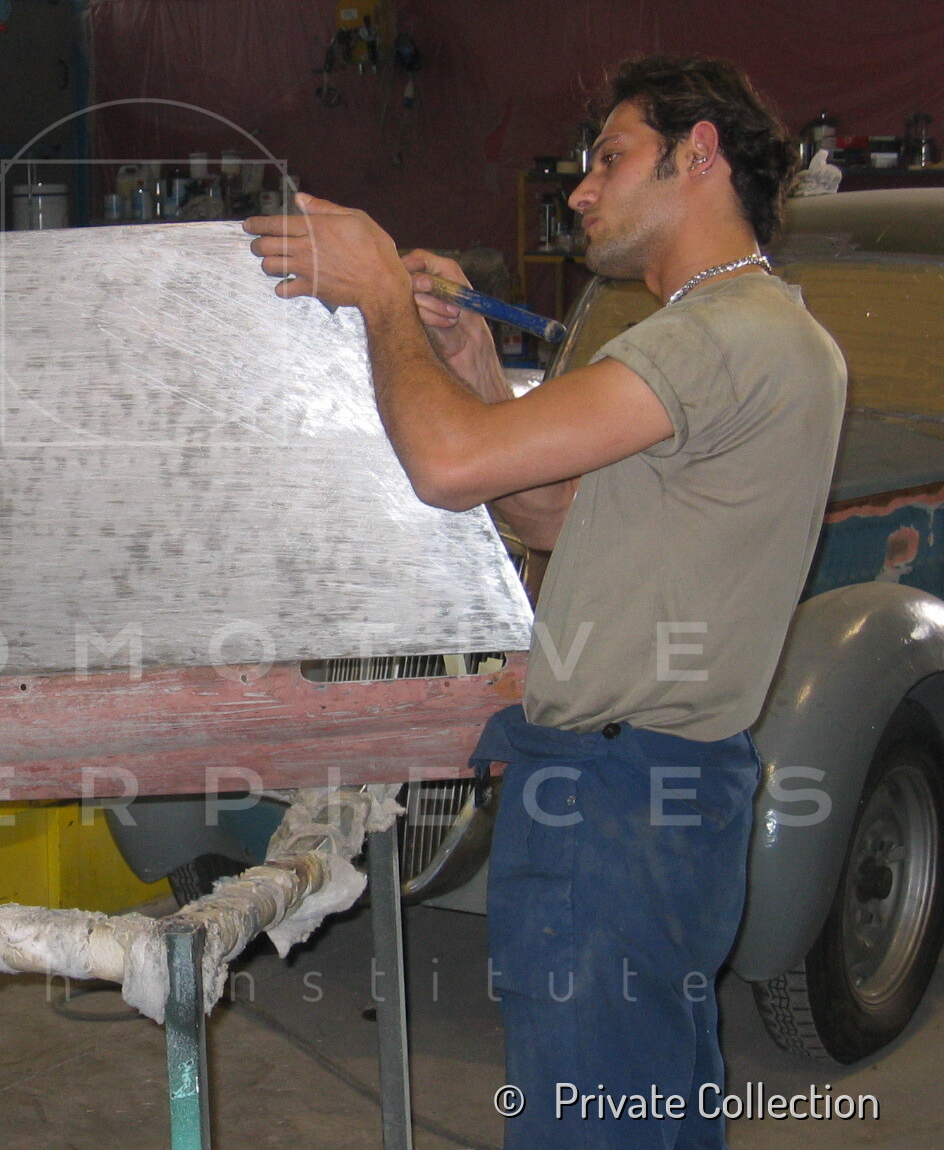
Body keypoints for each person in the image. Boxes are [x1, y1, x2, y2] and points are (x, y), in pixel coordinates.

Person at [244, 56, 846, 1149]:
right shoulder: (760, 333)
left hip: (613, 804)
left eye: (610, 157)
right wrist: (471, 360)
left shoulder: (710, 336)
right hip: (671, 789)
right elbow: (558, 517)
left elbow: (447, 465)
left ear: (698, 153)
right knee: (651, 1106)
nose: (580, 189)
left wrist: (379, 294)